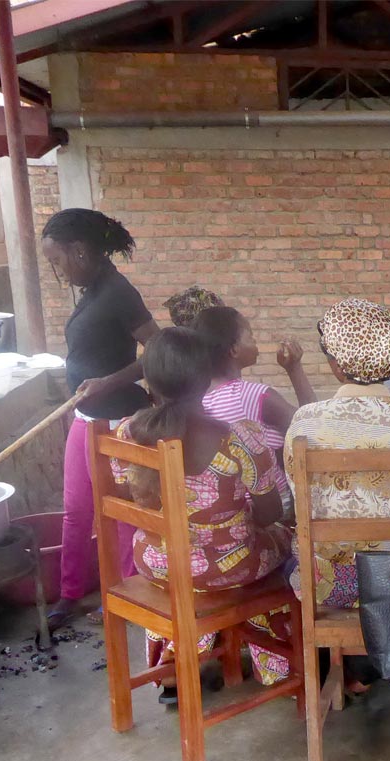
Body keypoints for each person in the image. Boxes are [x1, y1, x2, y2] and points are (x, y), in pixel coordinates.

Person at [113, 327, 292, 704]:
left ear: (150, 380)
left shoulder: (127, 432)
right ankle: (275, 660)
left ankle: (178, 659)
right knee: (287, 543)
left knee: (207, 561)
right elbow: (269, 514)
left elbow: (125, 496)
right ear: (205, 375)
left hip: (157, 562)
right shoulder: (240, 437)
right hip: (229, 567)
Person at [282, 298, 390, 693]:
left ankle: (345, 665)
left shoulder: (305, 423)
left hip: (330, 584)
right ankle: (379, 660)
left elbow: (298, 497)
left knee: (291, 550)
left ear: (336, 363)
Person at [41, 208, 161, 628]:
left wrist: (109, 381)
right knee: (76, 509)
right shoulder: (92, 290)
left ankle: (129, 593)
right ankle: (69, 593)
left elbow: (158, 350)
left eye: (57, 261)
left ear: (79, 251)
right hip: (86, 417)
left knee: (122, 511)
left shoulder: (118, 291)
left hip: (119, 421)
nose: (57, 271)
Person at [193, 306, 316, 463]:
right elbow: (313, 428)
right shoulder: (254, 396)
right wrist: (295, 369)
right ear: (234, 350)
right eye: (250, 336)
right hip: (267, 480)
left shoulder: (197, 397)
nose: (254, 340)